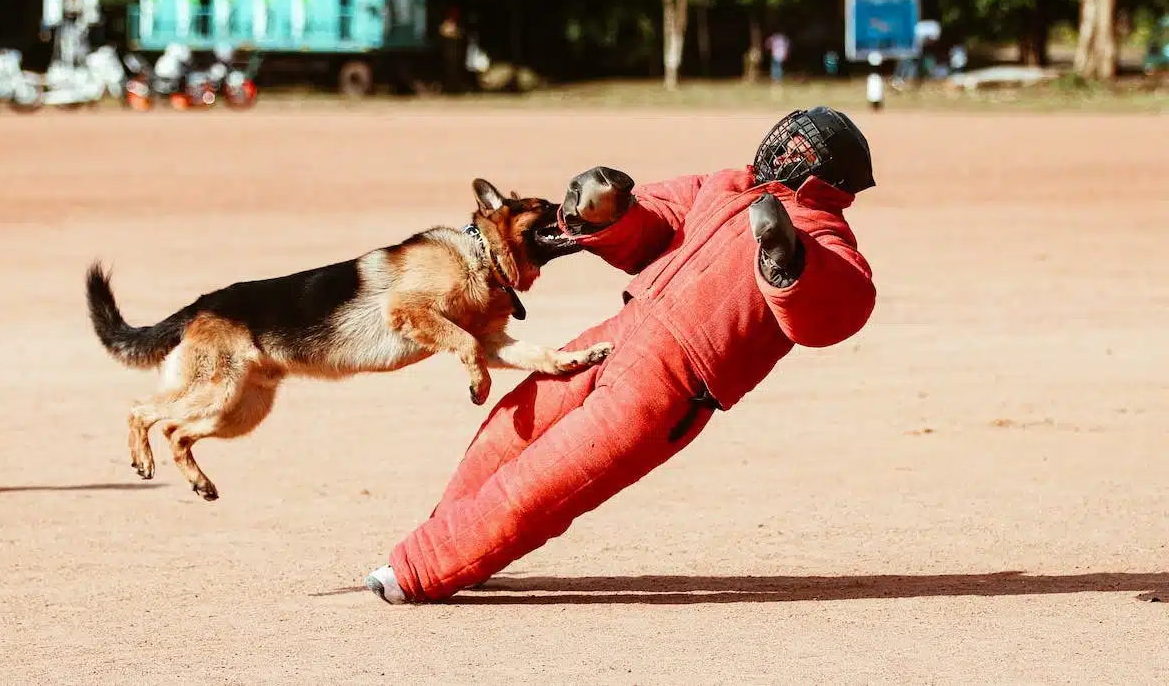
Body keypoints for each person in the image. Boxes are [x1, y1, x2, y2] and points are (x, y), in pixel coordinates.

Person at [366, 106, 878, 604]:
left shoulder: (824, 235)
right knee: (507, 429)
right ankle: (456, 548)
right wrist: (606, 212)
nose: (782, 146)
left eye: (801, 146)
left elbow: (841, 306)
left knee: (543, 482)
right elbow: (658, 220)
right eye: (788, 133)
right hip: (619, 334)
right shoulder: (727, 184)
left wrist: (789, 261)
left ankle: (418, 571)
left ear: (826, 176)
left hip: (672, 384)